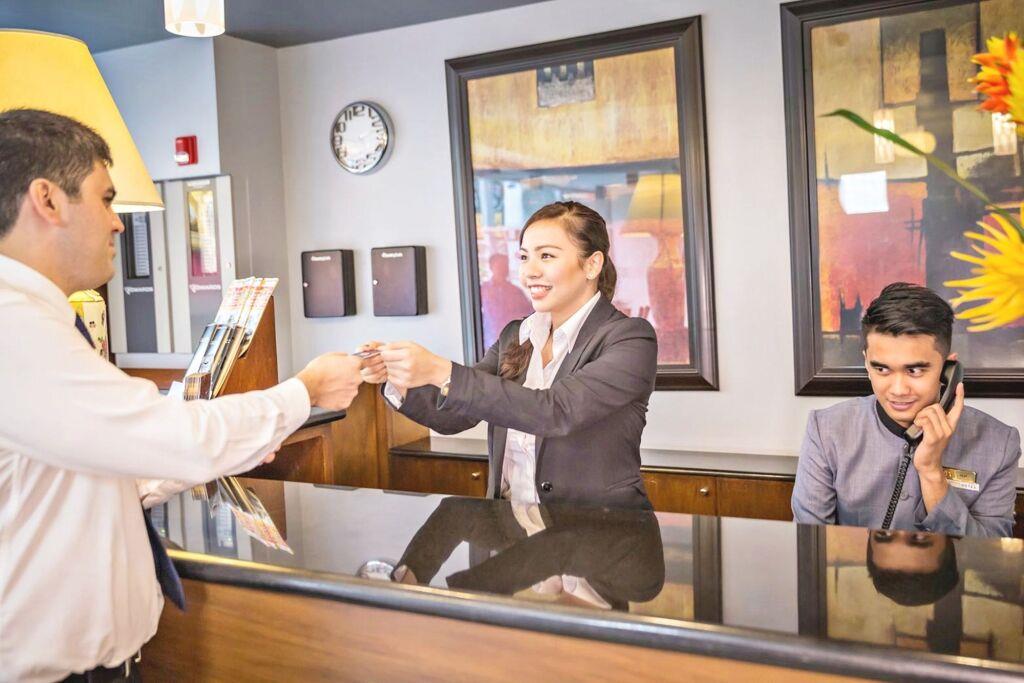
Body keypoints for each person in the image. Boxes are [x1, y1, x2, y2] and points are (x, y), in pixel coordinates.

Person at [0, 109, 364, 682]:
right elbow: (170, 436)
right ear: (47, 200)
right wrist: (305, 391)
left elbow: (101, 466)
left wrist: (240, 443)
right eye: (105, 199)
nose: (119, 224)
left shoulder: (37, 322)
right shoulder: (14, 330)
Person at [361, 201, 658, 509]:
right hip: (509, 525)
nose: (529, 272)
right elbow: (454, 414)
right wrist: (394, 376)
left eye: (546, 256)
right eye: (524, 257)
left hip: (601, 528)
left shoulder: (631, 338)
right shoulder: (515, 335)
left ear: (592, 265)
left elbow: (555, 411)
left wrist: (440, 370)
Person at [791, 282, 1020, 538]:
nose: (898, 390)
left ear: (948, 369)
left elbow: (989, 557)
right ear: (866, 362)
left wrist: (931, 473)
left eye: (915, 370)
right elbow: (810, 544)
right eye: (882, 369)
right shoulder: (826, 430)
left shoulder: (999, 443)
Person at [390, 496, 665, 611]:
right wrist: (456, 605)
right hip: (581, 506)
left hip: (529, 518)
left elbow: (456, 513)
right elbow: (559, 547)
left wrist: (404, 585)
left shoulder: (543, 583)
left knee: (457, 511)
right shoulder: (643, 582)